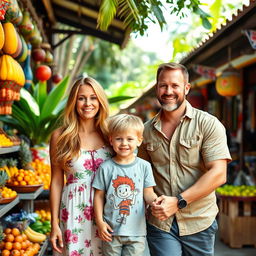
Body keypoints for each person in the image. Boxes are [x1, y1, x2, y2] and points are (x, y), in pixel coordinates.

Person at [138, 62, 232, 256]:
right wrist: (153, 202)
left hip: (199, 221)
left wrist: (179, 201)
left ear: (186, 88)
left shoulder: (208, 124)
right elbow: (141, 174)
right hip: (161, 224)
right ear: (157, 88)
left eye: (175, 85)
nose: (168, 91)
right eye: (163, 85)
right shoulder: (145, 132)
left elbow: (219, 174)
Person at [49, 77, 112, 256]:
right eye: (81, 98)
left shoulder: (110, 134)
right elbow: (55, 182)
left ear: (100, 101)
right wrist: (54, 224)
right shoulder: (60, 136)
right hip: (73, 211)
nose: (88, 103)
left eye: (93, 98)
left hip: (107, 211)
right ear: (73, 102)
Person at [92, 114, 158, 256]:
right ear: (111, 140)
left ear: (139, 141)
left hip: (137, 232)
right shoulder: (105, 167)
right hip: (111, 231)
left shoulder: (144, 166)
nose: (124, 143)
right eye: (118, 139)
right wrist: (99, 221)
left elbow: (148, 193)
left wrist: (156, 202)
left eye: (130, 139)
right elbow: (98, 196)